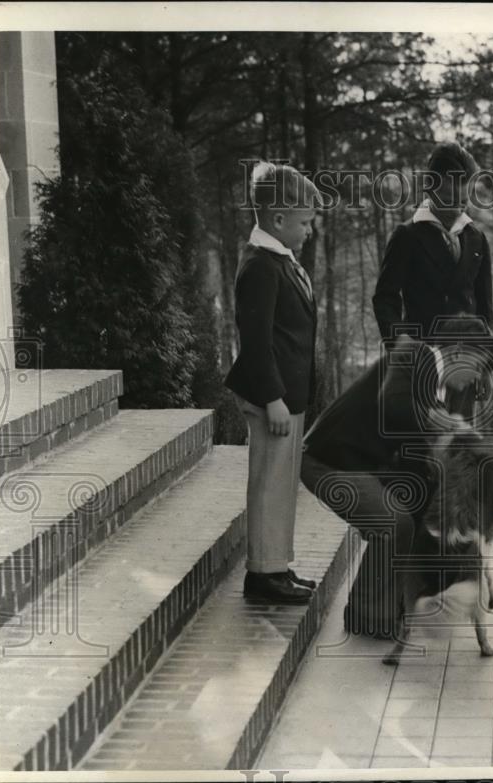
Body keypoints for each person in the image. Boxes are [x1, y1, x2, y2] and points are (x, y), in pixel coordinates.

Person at [301, 315, 493, 638]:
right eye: (478, 365)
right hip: (327, 461)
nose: (477, 376)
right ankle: (370, 618)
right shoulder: (414, 354)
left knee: (417, 509)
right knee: (393, 522)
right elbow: (392, 405)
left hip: (360, 463)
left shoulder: (432, 389)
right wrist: (430, 421)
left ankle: (398, 606)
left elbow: (418, 459)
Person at [224, 162, 320, 604]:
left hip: (287, 395)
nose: (309, 231)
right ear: (278, 220)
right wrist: (274, 398)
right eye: (304, 222)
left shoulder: (280, 259)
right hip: (272, 397)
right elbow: (257, 340)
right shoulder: (260, 265)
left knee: (282, 484)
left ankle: (277, 566)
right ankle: (262, 576)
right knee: (269, 484)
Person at [372, 142, 493, 343]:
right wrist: (400, 339)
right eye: (448, 200)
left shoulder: (477, 239)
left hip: (466, 357)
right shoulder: (407, 235)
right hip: (422, 354)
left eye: (462, 202)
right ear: (430, 190)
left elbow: (485, 307)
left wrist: (487, 358)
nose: (456, 210)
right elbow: (385, 298)